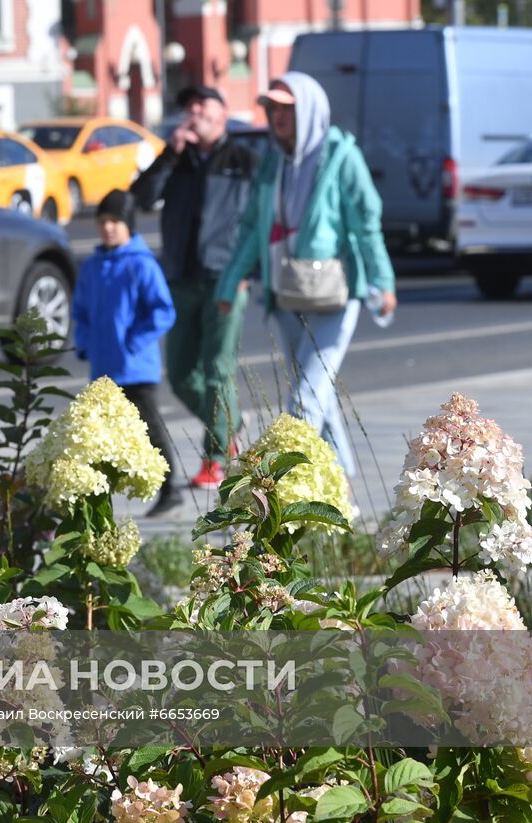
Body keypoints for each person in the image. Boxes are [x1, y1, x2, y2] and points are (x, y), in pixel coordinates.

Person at [215, 72, 397, 482]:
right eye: (273, 108)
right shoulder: (272, 162)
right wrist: (232, 282)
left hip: (337, 290)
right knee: (317, 390)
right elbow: (249, 229)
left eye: (287, 108)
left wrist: (382, 281)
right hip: (285, 289)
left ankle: (285, 485)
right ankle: (344, 484)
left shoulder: (340, 154)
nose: (278, 116)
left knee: (306, 394)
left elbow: (367, 222)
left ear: (310, 108)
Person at [131, 85, 257, 491]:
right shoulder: (178, 159)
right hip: (181, 278)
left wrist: (245, 271)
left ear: (222, 114)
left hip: (225, 279)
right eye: (189, 107)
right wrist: (169, 153)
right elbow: (143, 197)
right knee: (183, 375)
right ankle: (231, 426)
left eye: (203, 105)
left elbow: (260, 221)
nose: (194, 111)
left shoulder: (243, 160)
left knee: (218, 370)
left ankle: (215, 459)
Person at [72, 189, 184, 516]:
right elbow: (80, 312)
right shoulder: (92, 267)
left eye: (115, 222)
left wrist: (134, 341)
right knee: (99, 435)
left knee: (149, 428)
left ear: (128, 225)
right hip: (103, 369)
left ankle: (170, 487)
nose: (108, 228)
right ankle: (96, 498)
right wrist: (85, 342)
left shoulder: (142, 264)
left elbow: (163, 311)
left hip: (137, 368)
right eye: (103, 221)